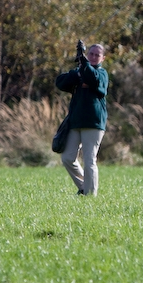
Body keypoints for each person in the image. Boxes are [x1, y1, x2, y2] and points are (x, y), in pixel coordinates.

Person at [56, 40, 108, 196]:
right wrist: (78, 73)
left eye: (97, 55)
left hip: (93, 123)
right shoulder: (80, 72)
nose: (93, 57)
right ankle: (84, 187)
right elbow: (60, 82)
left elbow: (95, 80)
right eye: (90, 54)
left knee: (89, 160)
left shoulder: (102, 73)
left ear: (103, 58)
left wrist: (84, 67)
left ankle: (90, 195)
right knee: (67, 157)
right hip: (75, 121)